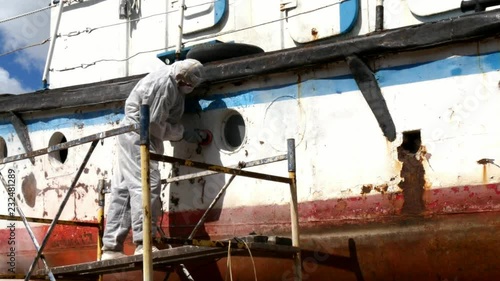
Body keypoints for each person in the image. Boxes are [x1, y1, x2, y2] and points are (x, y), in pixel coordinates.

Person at [101, 59, 206, 260]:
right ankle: (144, 243)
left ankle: (111, 248)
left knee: (124, 189)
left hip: (133, 134)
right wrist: (183, 133)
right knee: (147, 184)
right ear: (183, 80)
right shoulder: (165, 85)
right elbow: (153, 124)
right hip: (138, 136)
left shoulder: (171, 79)